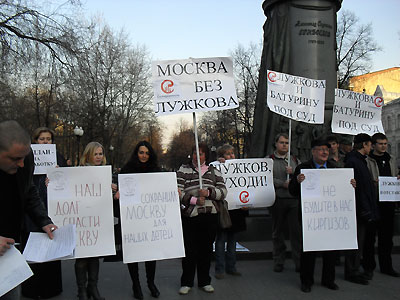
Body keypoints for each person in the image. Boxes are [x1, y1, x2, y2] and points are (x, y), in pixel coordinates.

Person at [0, 120, 57, 300]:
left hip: (10, 250)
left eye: (24, 157)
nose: (22, 164)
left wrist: (44, 221)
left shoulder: (26, 157)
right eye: (15, 159)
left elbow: (29, 190)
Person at [289, 138, 353, 293]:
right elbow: (292, 191)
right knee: (309, 252)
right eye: (321, 149)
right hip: (310, 218)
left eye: (327, 149)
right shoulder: (303, 168)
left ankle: (328, 280)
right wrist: (297, 181)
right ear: (313, 151)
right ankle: (306, 281)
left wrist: (350, 185)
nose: (325, 152)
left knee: (330, 250)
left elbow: (342, 190)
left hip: (330, 217)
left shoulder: (335, 167)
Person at [112, 141, 161, 299]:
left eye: (147, 153)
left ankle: (151, 283)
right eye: (141, 152)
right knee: (133, 253)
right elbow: (120, 192)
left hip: (149, 219)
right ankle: (136, 284)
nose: (144, 155)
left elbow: (161, 190)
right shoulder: (127, 170)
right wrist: (118, 194)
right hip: (131, 219)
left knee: (150, 254)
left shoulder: (156, 170)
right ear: (136, 153)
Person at [21, 127, 67, 299]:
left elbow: (68, 183)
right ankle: (31, 289)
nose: (45, 142)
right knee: (33, 251)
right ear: (35, 141)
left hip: (53, 211)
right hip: (31, 212)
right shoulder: (26, 159)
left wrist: (58, 175)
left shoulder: (59, 158)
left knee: (51, 252)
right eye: (42, 139)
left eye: (48, 139)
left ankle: (51, 288)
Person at [177, 143, 227, 295]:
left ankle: (205, 281)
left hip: (210, 215)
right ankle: (187, 282)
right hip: (191, 215)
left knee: (206, 250)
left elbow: (223, 191)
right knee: (190, 250)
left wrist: (209, 193)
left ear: (206, 155)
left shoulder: (214, 171)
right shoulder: (183, 170)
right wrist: (193, 200)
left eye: (201, 153)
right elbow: (177, 191)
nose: (197, 157)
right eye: (195, 153)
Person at [344, 133, 379, 285]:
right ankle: (352, 271)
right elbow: (356, 189)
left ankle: (355, 269)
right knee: (356, 242)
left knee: (360, 241)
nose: (371, 147)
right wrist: (364, 209)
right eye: (370, 144)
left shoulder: (359, 161)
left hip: (363, 208)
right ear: (364, 145)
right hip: (359, 210)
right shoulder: (353, 161)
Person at [363, 133, 400, 278]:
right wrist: (374, 183)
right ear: (373, 145)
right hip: (374, 203)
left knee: (387, 238)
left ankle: (387, 266)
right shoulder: (368, 160)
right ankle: (368, 267)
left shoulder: (391, 159)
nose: (383, 146)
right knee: (370, 238)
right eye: (380, 144)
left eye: (385, 143)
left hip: (388, 203)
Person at [75, 142, 106, 300]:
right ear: (88, 155)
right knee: (81, 257)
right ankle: (81, 290)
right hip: (81, 220)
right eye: (96, 154)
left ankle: (92, 287)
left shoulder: (105, 173)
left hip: (97, 220)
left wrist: (112, 189)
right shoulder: (78, 172)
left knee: (94, 256)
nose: (99, 157)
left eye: (100, 154)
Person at [214, 144, 248, 279]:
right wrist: (218, 164)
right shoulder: (216, 168)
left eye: (232, 153)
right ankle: (220, 269)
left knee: (233, 241)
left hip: (237, 211)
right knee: (221, 240)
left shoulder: (240, 169)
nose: (231, 156)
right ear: (221, 156)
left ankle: (232, 267)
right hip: (223, 210)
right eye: (227, 154)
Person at [269, 133, 301, 273]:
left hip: (293, 201)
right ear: (276, 144)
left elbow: (302, 177)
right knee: (278, 233)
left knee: (296, 233)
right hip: (278, 200)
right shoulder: (268, 160)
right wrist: (282, 184)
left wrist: (293, 173)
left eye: (287, 143)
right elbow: (266, 178)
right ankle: (278, 260)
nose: (284, 145)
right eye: (281, 142)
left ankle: (299, 262)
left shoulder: (294, 160)